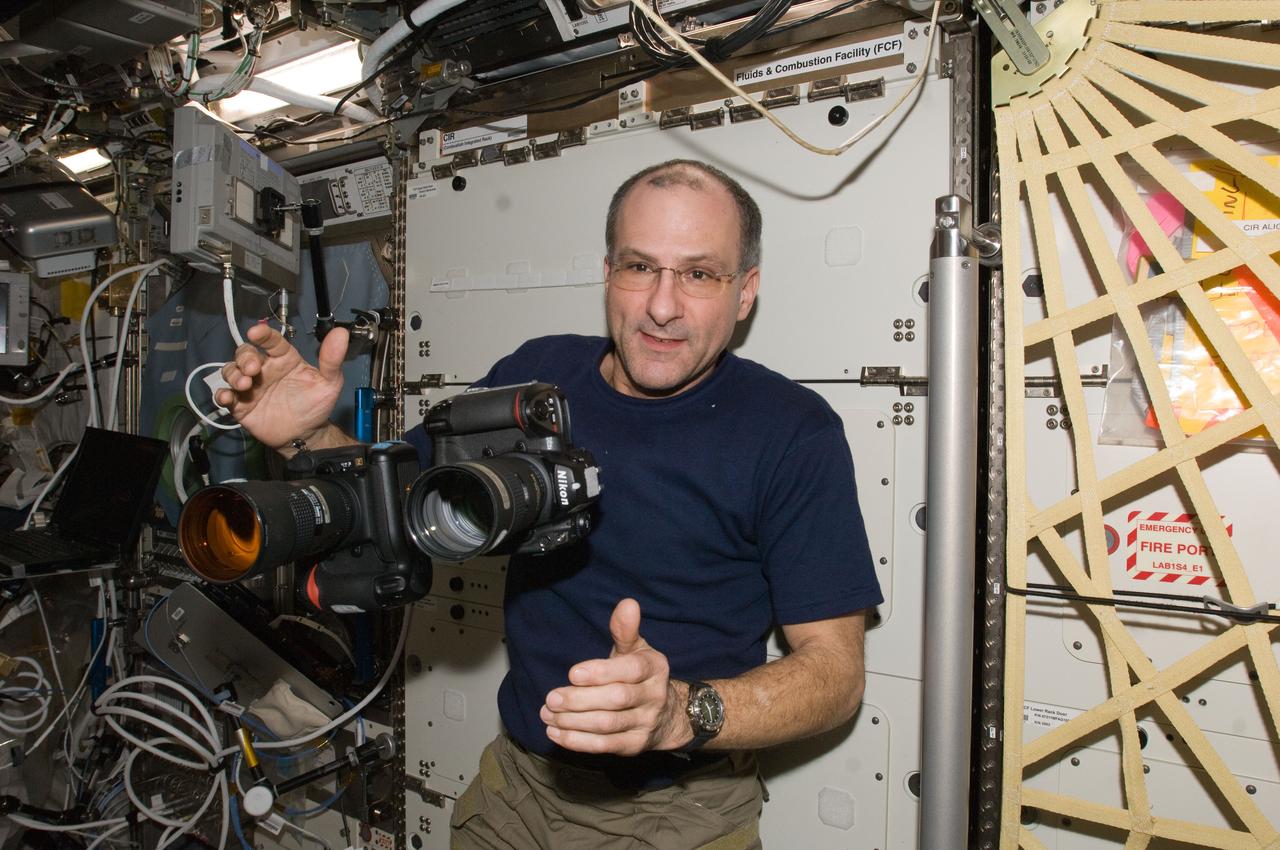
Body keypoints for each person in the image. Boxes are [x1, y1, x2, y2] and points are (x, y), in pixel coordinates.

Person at [217, 159, 882, 849]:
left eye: (699, 274)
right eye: (639, 267)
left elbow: (835, 675)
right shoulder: (535, 380)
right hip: (516, 793)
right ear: (607, 275)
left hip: (681, 815)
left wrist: (682, 712)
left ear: (745, 293)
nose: (662, 305)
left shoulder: (791, 431)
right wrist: (309, 436)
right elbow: (394, 509)